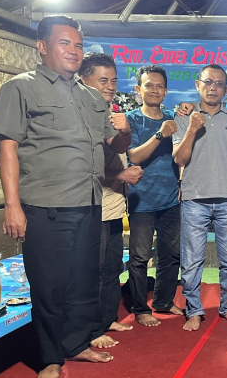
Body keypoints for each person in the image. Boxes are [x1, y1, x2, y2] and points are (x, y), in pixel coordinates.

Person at [0, 15, 130, 378]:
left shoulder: (90, 96)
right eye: (64, 43)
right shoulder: (20, 88)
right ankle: (50, 358)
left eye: (78, 45)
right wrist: (12, 205)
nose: (73, 51)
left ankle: (77, 343)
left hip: (89, 203)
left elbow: (115, 145)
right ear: (42, 46)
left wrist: (125, 132)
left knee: (84, 281)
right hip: (45, 205)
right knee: (49, 286)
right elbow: (7, 147)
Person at [173, 64, 227, 331]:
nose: (213, 87)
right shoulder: (184, 117)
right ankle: (194, 310)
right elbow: (180, 159)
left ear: (226, 89)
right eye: (208, 82)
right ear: (198, 85)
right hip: (194, 198)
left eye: (218, 83)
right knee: (192, 260)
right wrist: (192, 128)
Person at [78, 53, 142, 348]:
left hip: (114, 205)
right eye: (102, 80)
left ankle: (106, 319)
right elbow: (82, 166)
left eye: (113, 80)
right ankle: (91, 329)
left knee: (112, 267)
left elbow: (117, 148)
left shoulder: (108, 113)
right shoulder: (82, 114)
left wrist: (125, 130)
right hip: (93, 206)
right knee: (93, 269)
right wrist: (120, 175)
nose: (110, 86)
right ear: (83, 80)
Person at [126, 65, 183, 327]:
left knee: (171, 255)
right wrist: (161, 134)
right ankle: (140, 308)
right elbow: (134, 156)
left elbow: (182, 152)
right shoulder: (131, 119)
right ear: (138, 89)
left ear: (166, 91)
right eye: (149, 85)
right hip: (141, 199)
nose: (154, 90)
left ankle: (163, 301)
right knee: (139, 258)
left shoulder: (172, 117)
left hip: (170, 198)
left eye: (160, 86)